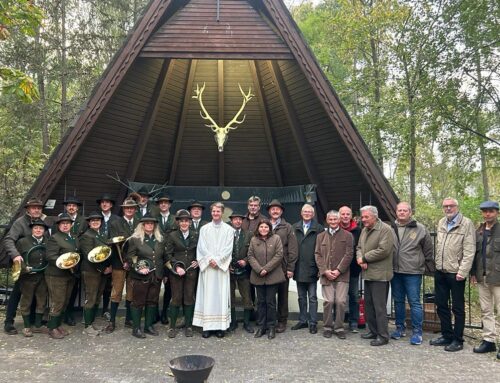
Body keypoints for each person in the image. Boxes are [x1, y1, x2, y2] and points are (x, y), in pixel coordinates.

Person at [430, 197, 475, 352]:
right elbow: (439, 245)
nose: (448, 208)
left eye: (451, 206)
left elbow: (469, 250)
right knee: (441, 305)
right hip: (441, 270)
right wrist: (436, 265)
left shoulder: (466, 223)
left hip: (456, 273)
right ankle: (446, 335)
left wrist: (463, 271)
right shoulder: (442, 222)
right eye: (445, 206)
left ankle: (458, 339)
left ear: (457, 207)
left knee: (457, 307)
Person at [390, 202, 434, 345]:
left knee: (414, 302)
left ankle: (417, 332)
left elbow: (428, 249)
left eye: (405, 210)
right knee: (398, 301)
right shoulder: (391, 228)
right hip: (395, 270)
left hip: (413, 271)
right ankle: (399, 328)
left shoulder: (420, 229)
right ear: (396, 212)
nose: (402, 213)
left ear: (410, 213)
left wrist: (424, 265)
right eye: (399, 210)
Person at [3, 197, 47, 335]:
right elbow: (9, 239)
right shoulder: (20, 222)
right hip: (21, 263)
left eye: (39, 208)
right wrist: (15, 255)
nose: (36, 210)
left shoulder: (43, 222)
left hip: (37, 265)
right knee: (17, 293)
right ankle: (9, 322)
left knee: (35, 293)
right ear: (28, 209)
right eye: (33, 208)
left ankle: (33, 321)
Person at [193, 202, 234, 338]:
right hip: (209, 268)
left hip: (221, 269)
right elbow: (201, 247)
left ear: (222, 213)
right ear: (211, 213)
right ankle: (207, 327)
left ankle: (220, 327)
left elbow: (228, 248)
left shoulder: (229, 229)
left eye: (218, 211)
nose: (216, 213)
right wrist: (210, 259)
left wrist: (218, 261)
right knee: (208, 296)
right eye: (214, 211)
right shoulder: (204, 229)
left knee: (221, 296)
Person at [357, 205, 394, 346]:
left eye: (366, 217)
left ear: (375, 216)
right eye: (363, 217)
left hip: (380, 274)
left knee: (379, 307)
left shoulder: (385, 229)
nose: (364, 219)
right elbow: (359, 247)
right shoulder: (364, 230)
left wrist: (365, 258)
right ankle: (373, 331)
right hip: (368, 273)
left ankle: (383, 336)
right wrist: (361, 259)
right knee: (369, 305)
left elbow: (384, 250)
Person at [126, 214, 166, 339]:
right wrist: (139, 266)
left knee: (152, 301)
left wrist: (165, 273)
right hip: (141, 276)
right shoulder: (135, 239)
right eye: (147, 223)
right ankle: (136, 328)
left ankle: (148, 326)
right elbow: (130, 257)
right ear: (142, 225)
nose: (149, 225)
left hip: (156, 275)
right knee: (138, 302)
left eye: (152, 223)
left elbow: (163, 257)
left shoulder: (160, 239)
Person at [315, 210, 353, 339]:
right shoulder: (320, 236)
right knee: (328, 301)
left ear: (339, 220)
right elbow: (317, 255)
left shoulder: (347, 235)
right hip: (326, 275)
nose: (332, 222)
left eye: (335, 219)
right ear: (327, 220)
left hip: (342, 275)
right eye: (330, 219)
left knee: (341, 301)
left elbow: (349, 254)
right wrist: (325, 270)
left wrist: (338, 270)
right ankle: (327, 327)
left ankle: (339, 328)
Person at [471, 201, 499, 356]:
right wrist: (473, 273)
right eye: (485, 211)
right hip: (482, 277)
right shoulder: (479, 231)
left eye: (491, 211)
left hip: (498, 277)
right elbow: (475, 254)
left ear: (497, 213)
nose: (488, 214)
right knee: (486, 310)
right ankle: (489, 341)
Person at [105, 197, 138, 333]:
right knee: (116, 292)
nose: (129, 210)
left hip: (134, 264)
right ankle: (112, 321)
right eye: (127, 208)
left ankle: (128, 320)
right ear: (123, 209)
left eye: (132, 208)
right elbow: (114, 244)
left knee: (131, 293)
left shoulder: (139, 223)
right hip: (119, 264)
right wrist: (124, 261)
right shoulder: (115, 223)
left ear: (135, 209)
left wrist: (131, 262)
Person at [164, 209, 199, 338]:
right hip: (176, 272)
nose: (184, 223)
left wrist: (198, 260)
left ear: (190, 222)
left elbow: (200, 250)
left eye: (186, 221)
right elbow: (168, 254)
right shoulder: (172, 235)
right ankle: (172, 327)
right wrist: (177, 266)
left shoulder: (196, 234)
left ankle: (188, 326)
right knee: (176, 298)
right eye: (182, 221)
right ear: (178, 223)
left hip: (191, 271)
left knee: (189, 297)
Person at [248, 219, 284, 339]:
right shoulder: (254, 240)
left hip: (272, 276)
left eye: (266, 227)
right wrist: (259, 269)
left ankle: (271, 327)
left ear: (270, 228)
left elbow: (279, 255)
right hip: (258, 276)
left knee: (270, 302)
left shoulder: (276, 238)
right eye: (261, 227)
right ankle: (261, 326)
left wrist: (266, 269)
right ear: (258, 228)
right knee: (261, 302)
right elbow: (250, 256)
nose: (264, 229)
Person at [45, 213, 80, 339]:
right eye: (62, 223)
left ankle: (58, 325)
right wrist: (66, 263)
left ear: (71, 225)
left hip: (69, 275)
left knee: (65, 300)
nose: (65, 225)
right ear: (59, 225)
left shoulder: (74, 238)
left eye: (67, 223)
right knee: (58, 301)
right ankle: (52, 328)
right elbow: (50, 256)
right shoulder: (55, 238)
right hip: (56, 275)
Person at [292, 204, 323, 334]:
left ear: (313, 214)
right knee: (301, 297)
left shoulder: (319, 228)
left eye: (310, 212)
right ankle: (303, 320)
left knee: (312, 297)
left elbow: (322, 249)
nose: (307, 213)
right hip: (298, 267)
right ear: (301, 213)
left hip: (312, 267)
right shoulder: (294, 227)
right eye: (305, 211)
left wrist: (320, 267)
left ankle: (313, 322)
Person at [79, 212, 112, 336]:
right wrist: (103, 269)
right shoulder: (87, 236)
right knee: (91, 298)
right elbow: (90, 256)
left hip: (102, 271)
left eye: (98, 220)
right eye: (92, 221)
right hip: (91, 270)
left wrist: (108, 267)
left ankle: (91, 322)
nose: (95, 222)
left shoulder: (101, 234)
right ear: (89, 223)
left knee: (97, 297)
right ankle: (87, 326)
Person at [267, 199, 298, 333]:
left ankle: (282, 321)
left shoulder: (287, 227)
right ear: (269, 211)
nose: (275, 211)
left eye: (277, 209)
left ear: (281, 211)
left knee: (283, 296)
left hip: (283, 267)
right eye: (272, 209)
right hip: (267, 267)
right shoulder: (264, 225)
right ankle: (270, 321)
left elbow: (293, 249)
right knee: (269, 296)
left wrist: (290, 268)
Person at [15, 219, 49, 337]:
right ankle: (26, 326)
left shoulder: (48, 242)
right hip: (28, 278)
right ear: (32, 229)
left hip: (43, 276)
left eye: (41, 228)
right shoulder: (23, 242)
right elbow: (16, 259)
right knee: (26, 301)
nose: (38, 230)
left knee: (41, 300)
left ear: (44, 230)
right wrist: (26, 269)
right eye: (36, 228)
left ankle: (38, 326)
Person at [60, 195, 87, 326]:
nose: (71, 207)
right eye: (69, 205)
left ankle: (69, 313)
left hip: (78, 257)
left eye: (74, 205)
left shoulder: (83, 220)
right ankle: (59, 314)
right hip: (63, 257)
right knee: (61, 287)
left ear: (77, 208)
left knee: (73, 288)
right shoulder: (61, 219)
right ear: (66, 207)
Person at [228, 211, 254, 333]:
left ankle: (246, 323)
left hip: (244, 271)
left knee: (247, 297)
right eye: (235, 219)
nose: (238, 221)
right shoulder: (226, 234)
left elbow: (252, 251)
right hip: (229, 271)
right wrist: (227, 264)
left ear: (242, 221)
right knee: (230, 297)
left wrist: (246, 260)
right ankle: (232, 322)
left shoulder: (249, 234)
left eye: (240, 219)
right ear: (231, 221)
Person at [96, 193, 119, 321]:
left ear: (111, 205)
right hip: (97, 255)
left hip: (112, 255)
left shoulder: (116, 219)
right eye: (102, 202)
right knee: (96, 285)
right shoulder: (95, 217)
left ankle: (105, 309)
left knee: (108, 286)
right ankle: (92, 310)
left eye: (107, 202)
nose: (105, 204)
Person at [339, 206, 362, 332]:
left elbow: (360, 247)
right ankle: (338, 321)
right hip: (338, 270)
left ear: (351, 216)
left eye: (348, 214)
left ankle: (353, 322)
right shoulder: (335, 229)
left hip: (353, 269)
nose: (345, 216)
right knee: (338, 297)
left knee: (353, 296)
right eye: (343, 214)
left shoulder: (358, 231)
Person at [155, 192, 176, 325]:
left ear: (169, 205)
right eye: (161, 202)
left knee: (168, 287)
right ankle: (154, 313)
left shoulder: (175, 219)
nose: (163, 204)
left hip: (170, 256)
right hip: (156, 256)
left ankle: (164, 313)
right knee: (155, 286)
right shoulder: (153, 218)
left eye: (166, 202)